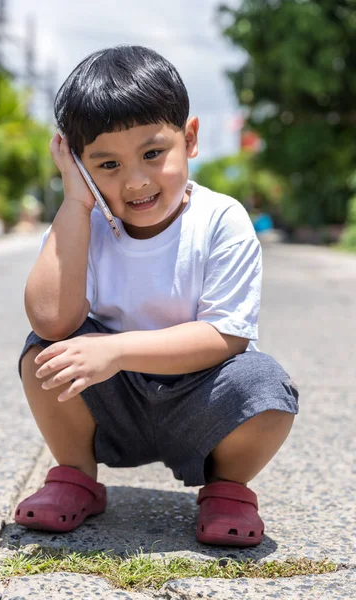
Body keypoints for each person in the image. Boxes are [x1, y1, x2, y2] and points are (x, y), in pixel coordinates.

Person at [15, 45, 299, 547]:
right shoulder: (82, 224)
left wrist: (117, 350)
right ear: (77, 164)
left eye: (152, 153)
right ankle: (76, 476)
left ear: (189, 139)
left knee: (265, 386)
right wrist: (76, 203)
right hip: (112, 403)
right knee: (43, 352)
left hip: (201, 401)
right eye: (105, 164)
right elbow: (51, 319)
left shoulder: (220, 220)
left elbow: (226, 336)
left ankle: (227, 488)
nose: (136, 180)